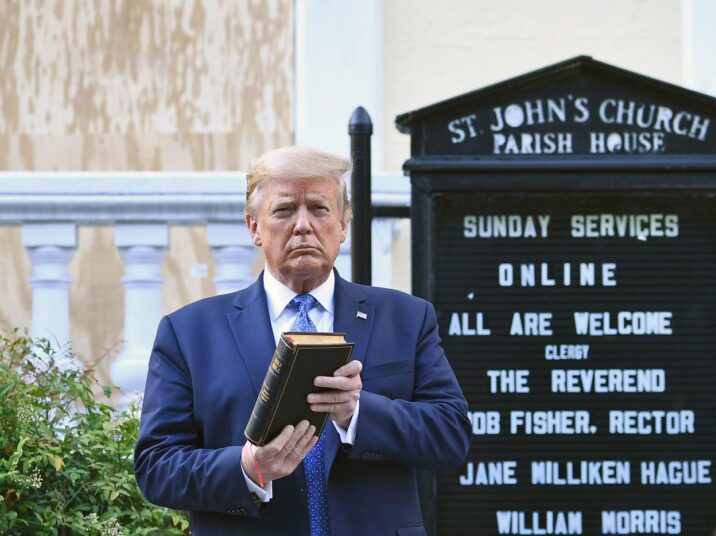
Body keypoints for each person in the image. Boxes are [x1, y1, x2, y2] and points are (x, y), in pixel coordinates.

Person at [134, 146, 471, 535]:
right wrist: (247, 467)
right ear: (254, 227)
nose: (303, 225)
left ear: (343, 225)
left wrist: (357, 413)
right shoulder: (190, 333)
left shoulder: (407, 318)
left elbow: (451, 435)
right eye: (284, 210)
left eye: (319, 208)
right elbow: (156, 467)